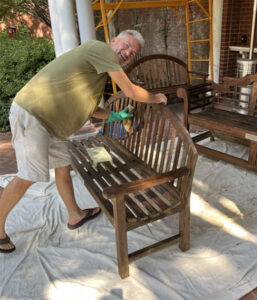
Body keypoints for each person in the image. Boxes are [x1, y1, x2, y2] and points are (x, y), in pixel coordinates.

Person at [0, 30, 167, 253]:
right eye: (126, 45)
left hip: (53, 126)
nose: (127, 53)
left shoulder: (96, 75)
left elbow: (92, 111)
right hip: (34, 115)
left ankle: (74, 215)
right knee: (28, 176)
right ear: (113, 41)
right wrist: (157, 98)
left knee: (63, 168)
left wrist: (117, 116)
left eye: (132, 52)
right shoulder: (99, 49)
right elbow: (130, 90)